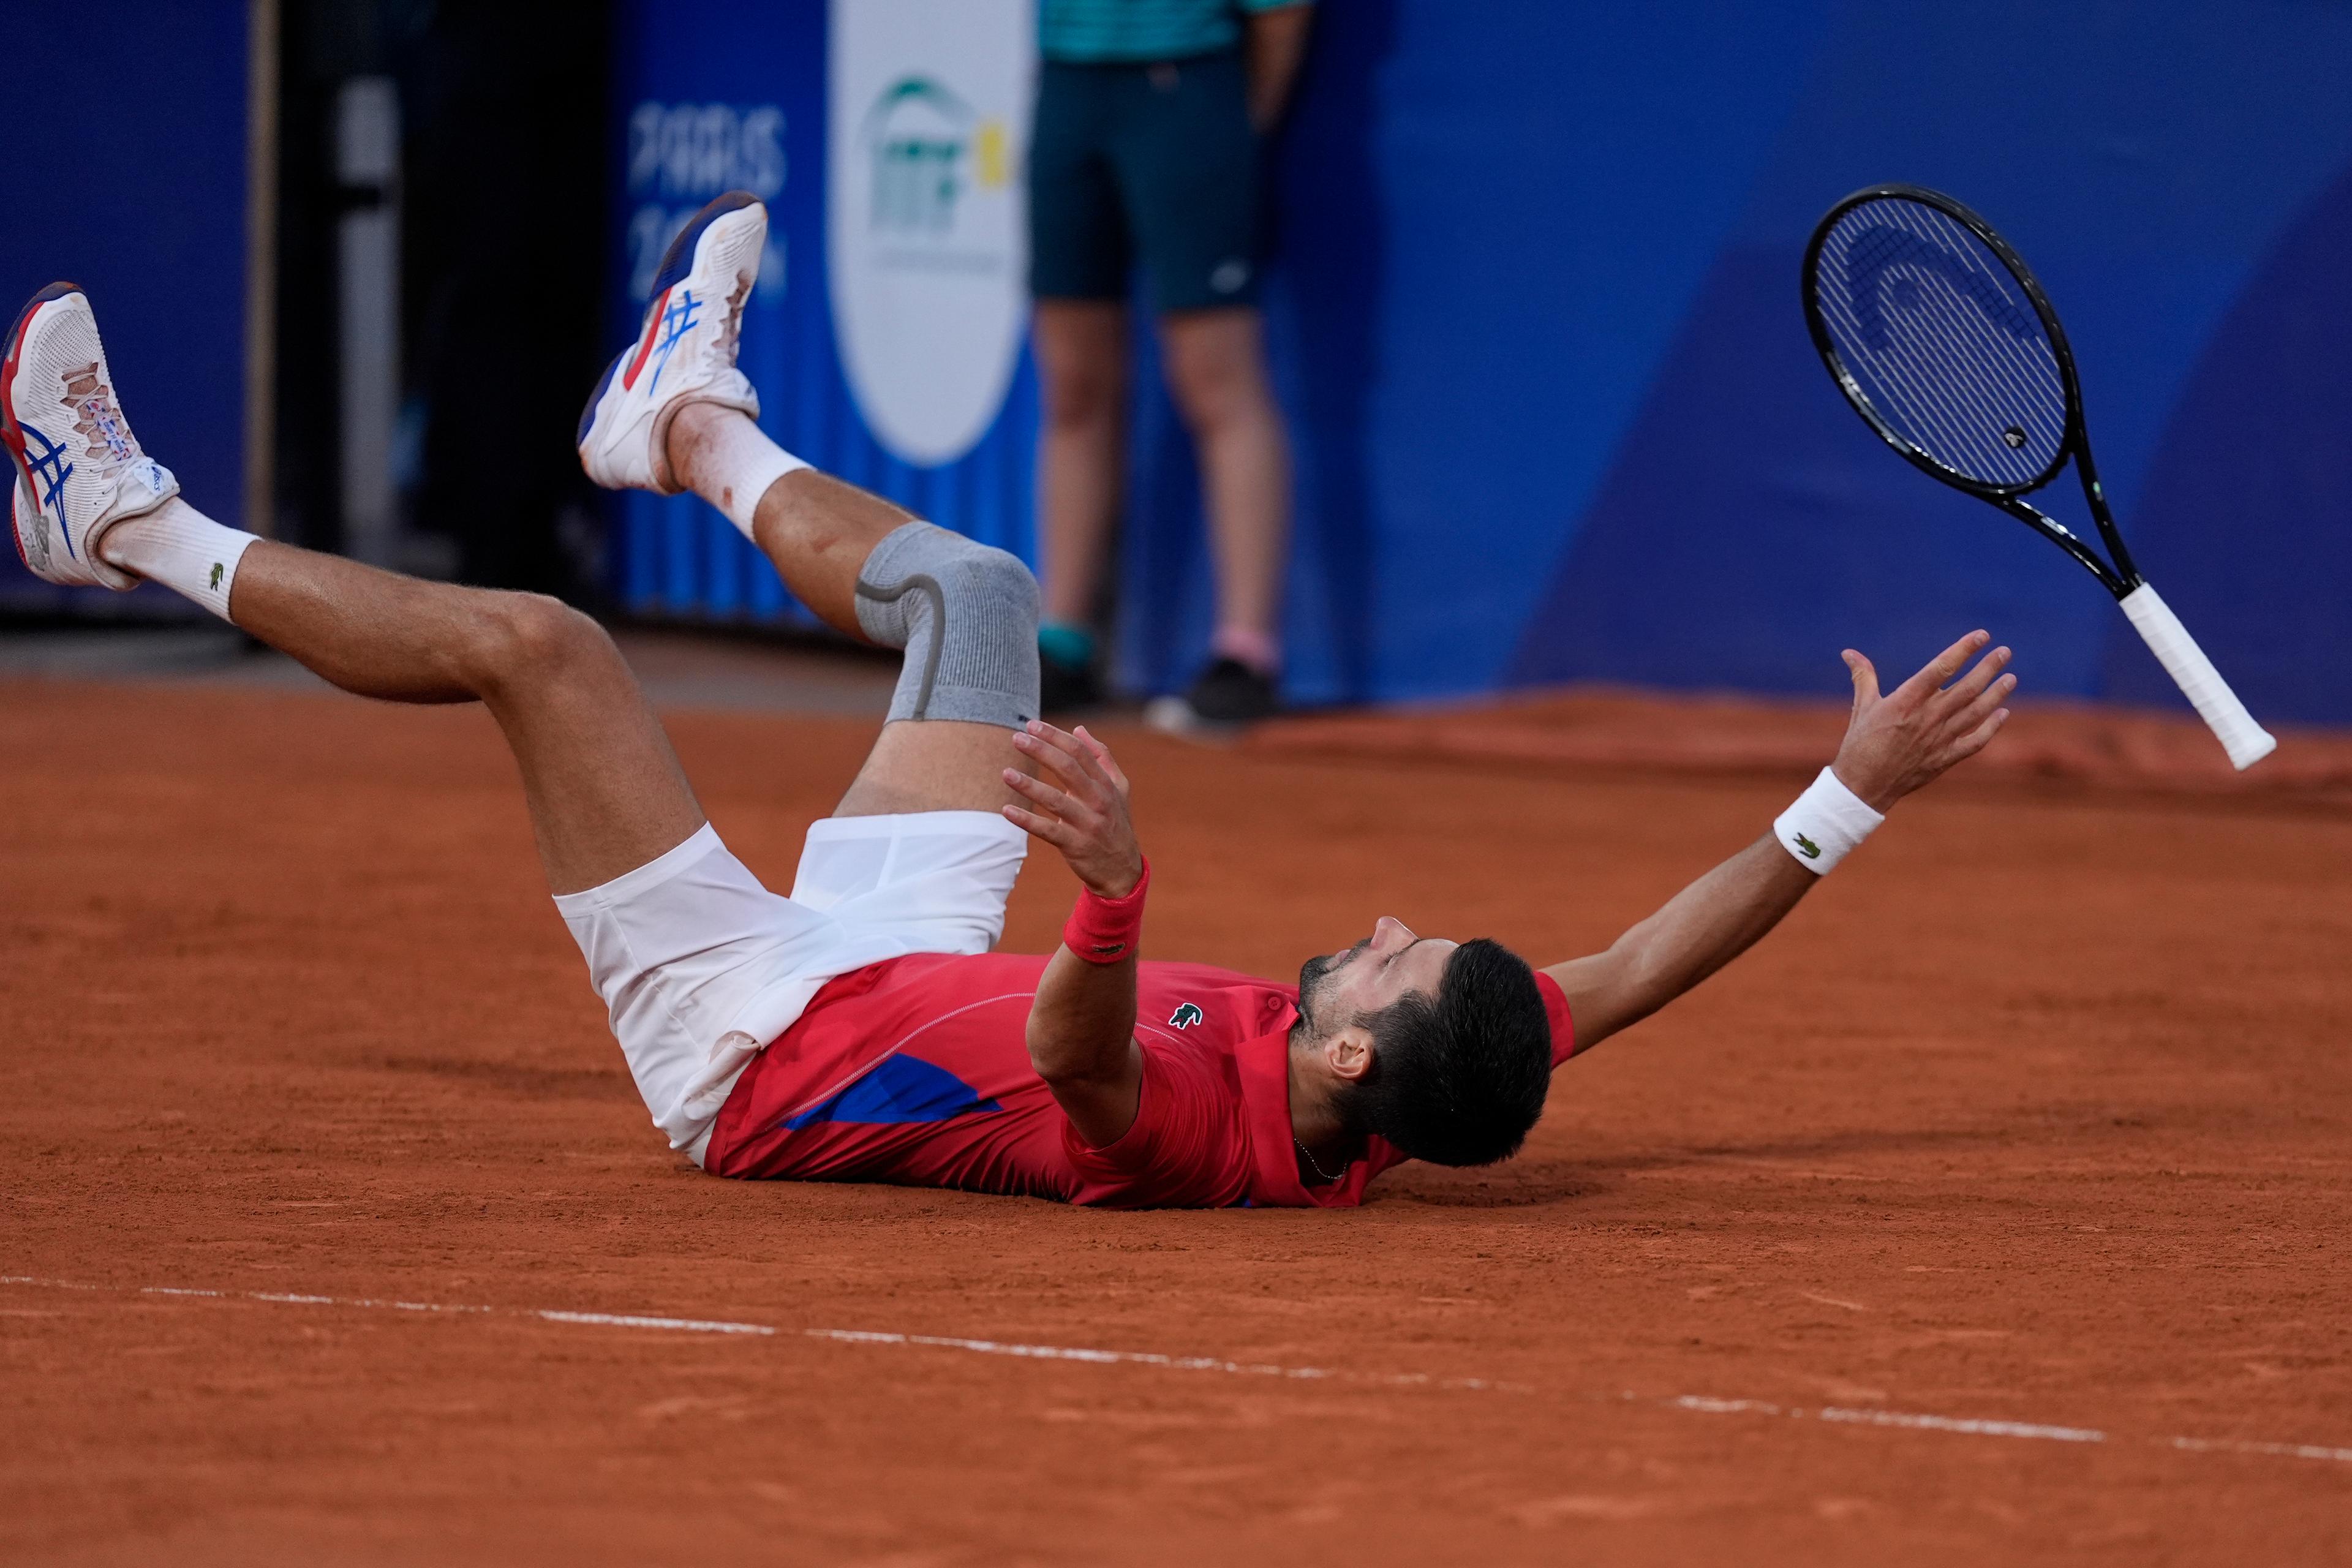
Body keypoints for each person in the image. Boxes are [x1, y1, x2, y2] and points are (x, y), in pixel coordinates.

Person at [4, 194, 2018, 1208]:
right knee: (982, 600)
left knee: (549, 648)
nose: (1386, 928)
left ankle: (119, 523)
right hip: (898, 962)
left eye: (1388, 966)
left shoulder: (1188, 1132)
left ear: (1338, 1070)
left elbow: (1085, 1056)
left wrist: (1120, 895)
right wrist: (1847, 796)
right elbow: (1646, 965)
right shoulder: (1432, 1078)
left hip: (760, 1044)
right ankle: (687, 424)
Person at [1027, 0, 1314, 728]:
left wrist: (1229, 127)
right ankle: (1061, 642)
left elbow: (1282, 15)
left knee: (1215, 379)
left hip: (1189, 88)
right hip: (1066, 82)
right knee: (1072, 384)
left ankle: (1245, 652)